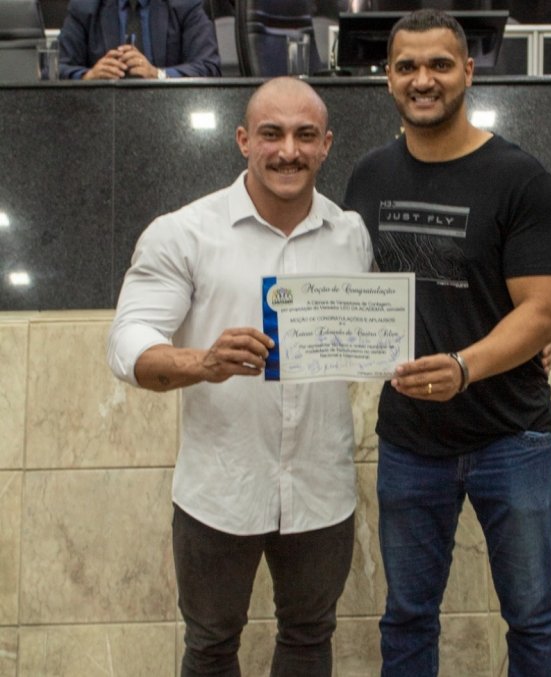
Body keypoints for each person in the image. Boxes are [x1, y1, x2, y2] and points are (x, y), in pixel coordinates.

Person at [107, 77, 372, 676]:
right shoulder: (184, 232)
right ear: (242, 140)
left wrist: (530, 346)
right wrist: (203, 362)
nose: (288, 151)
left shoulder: (351, 237)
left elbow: (401, 323)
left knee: (310, 637)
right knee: (210, 645)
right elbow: (127, 343)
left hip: (320, 488)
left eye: (306, 136)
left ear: (327, 144)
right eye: (272, 134)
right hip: (219, 491)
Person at [343, 9, 551, 677]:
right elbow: (356, 292)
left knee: (531, 615)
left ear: (469, 71)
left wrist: (467, 365)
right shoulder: (367, 177)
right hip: (411, 440)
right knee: (407, 615)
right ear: (387, 78)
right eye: (407, 66)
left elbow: (542, 310)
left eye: (440, 64)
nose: (423, 79)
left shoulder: (522, 179)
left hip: (513, 436)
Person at [58, 0, 221, 80]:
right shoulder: (85, 6)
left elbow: (209, 67)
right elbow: (53, 69)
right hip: (101, 116)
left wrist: (159, 75)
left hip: (170, 112)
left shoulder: (184, 4)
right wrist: (88, 76)